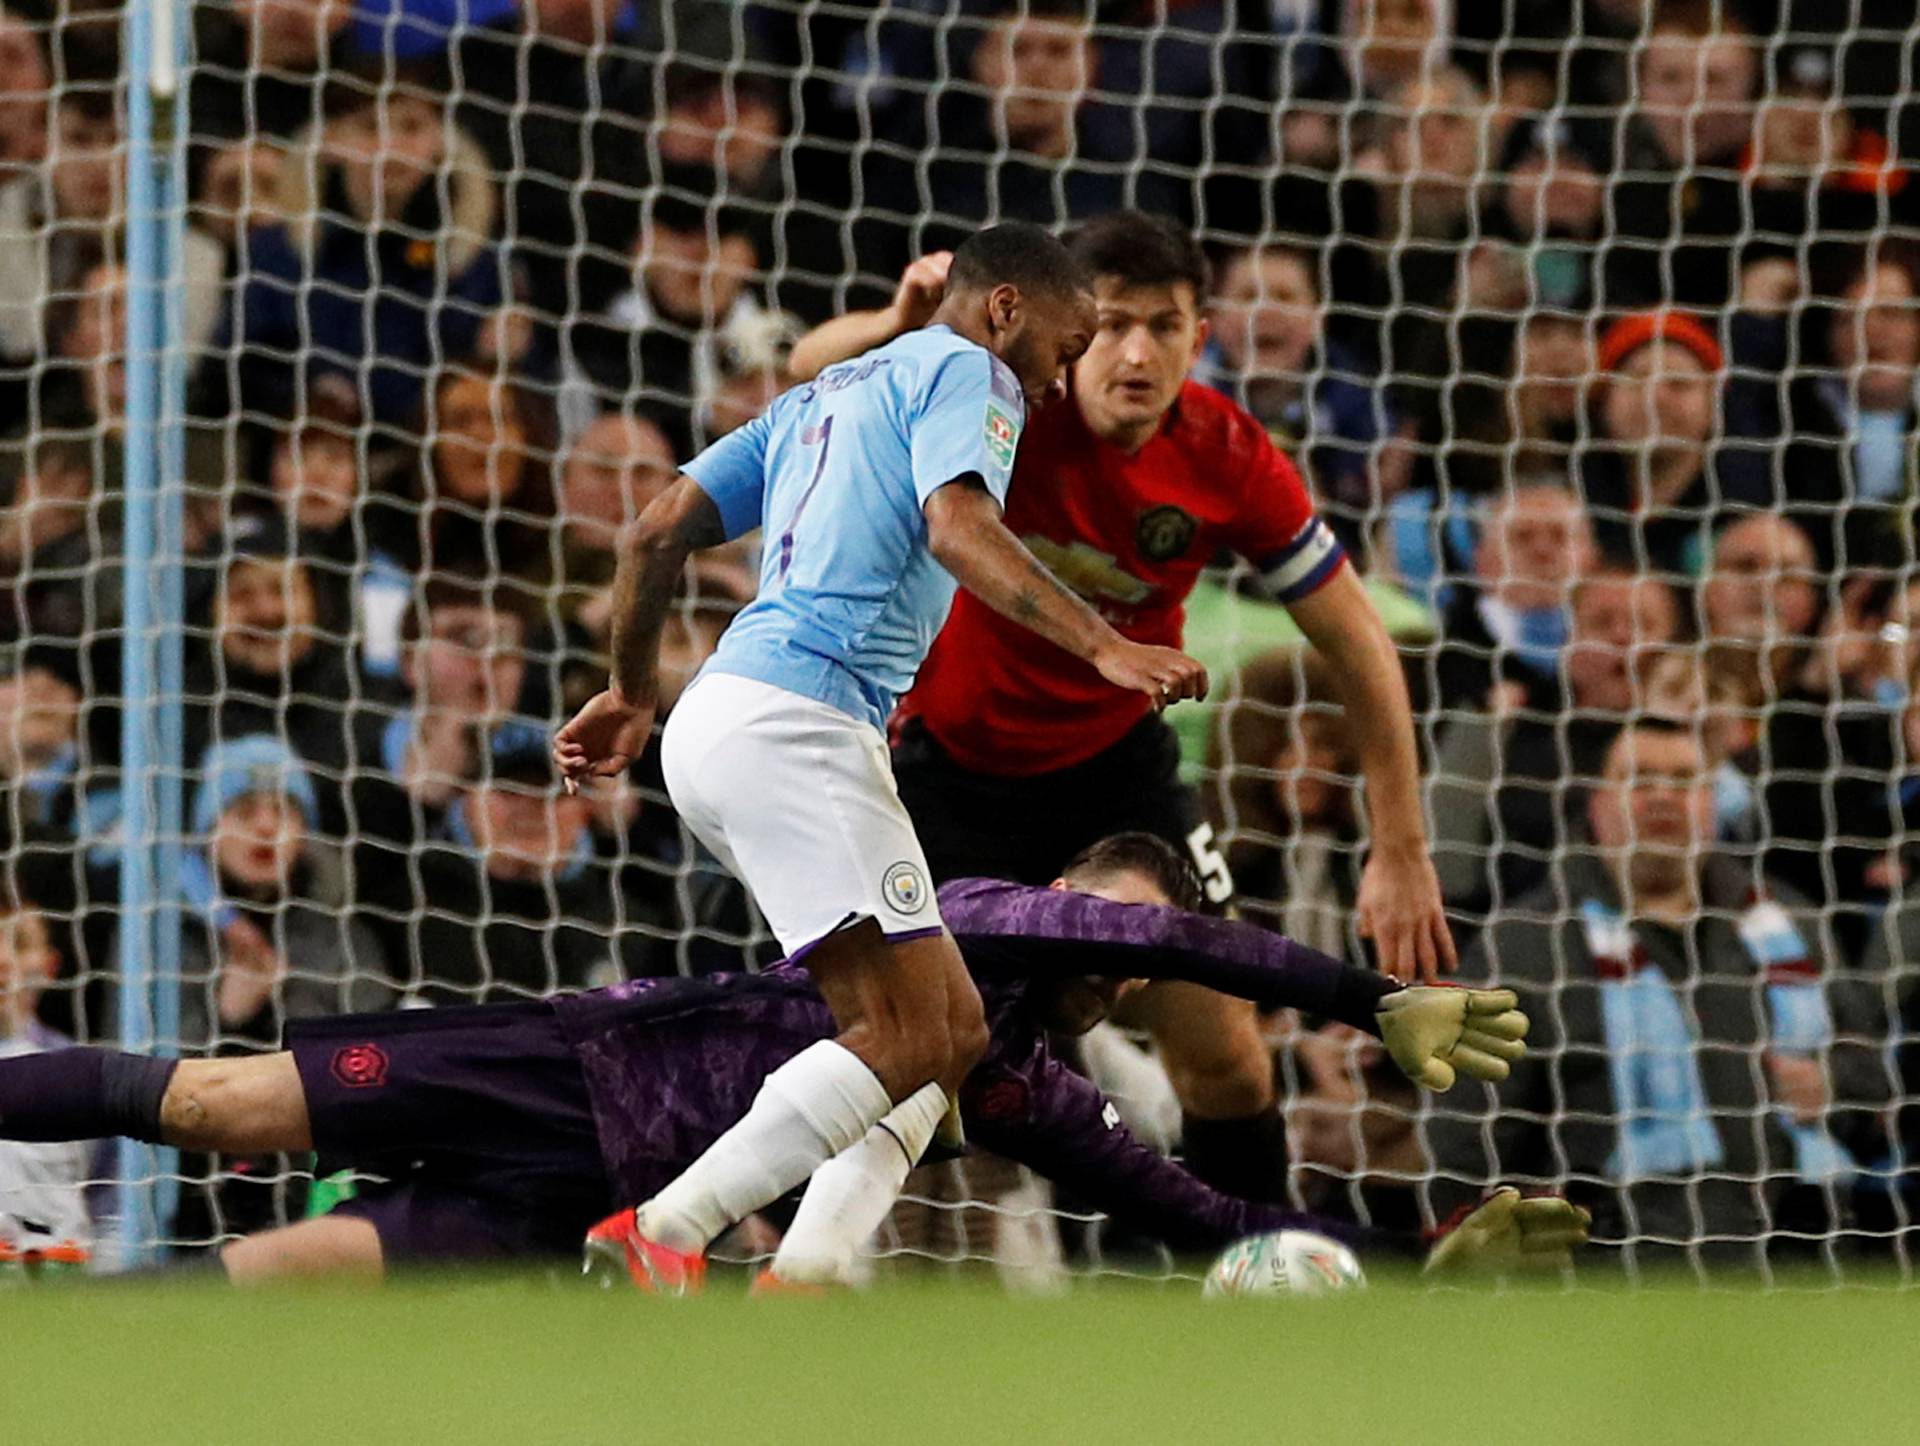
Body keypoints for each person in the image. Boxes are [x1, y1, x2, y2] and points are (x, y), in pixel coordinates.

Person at [551, 221, 1211, 1291]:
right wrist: (1107, 646)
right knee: (919, 1033)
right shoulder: (970, 371)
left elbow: (655, 529)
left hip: (718, 717)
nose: (1056, 380)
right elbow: (957, 528)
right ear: (1006, 309)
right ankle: (663, 1232)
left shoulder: (827, 391)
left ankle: (799, 1284)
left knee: (934, 1032)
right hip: (806, 722)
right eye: (1063, 343)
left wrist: (632, 693)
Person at [0, 834, 1556, 1283]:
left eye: (1142, 936)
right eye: (1114, 911)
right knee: (215, 1103)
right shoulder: (974, 919)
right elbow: (1212, 946)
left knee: (278, 1279)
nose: (1121, 943)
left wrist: (1418, 1255)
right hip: (571, 1068)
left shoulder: (1022, 1083)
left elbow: (1207, 1222)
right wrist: (1360, 994)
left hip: (584, 1210)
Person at [788, 213, 1452, 1207]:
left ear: (1202, 332)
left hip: (1116, 780)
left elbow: (1359, 641)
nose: (1136, 353)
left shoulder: (1225, 453)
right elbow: (807, 366)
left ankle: (1258, 1280)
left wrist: (1399, 847)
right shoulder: (990, 398)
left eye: (1166, 326)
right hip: (947, 775)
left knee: (1226, 1053)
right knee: (915, 1080)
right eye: (1111, 326)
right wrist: (896, 321)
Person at [1423, 718, 1892, 1270]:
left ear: (1712, 804)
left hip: (1801, 1269)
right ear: (1598, 806)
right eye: (1641, 780)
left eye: (1685, 780)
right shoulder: (1525, 945)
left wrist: (1829, 1084)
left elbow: (1876, 1074)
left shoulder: (1792, 920)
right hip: (1610, 1285)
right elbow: (1465, 1137)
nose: (1664, 797)